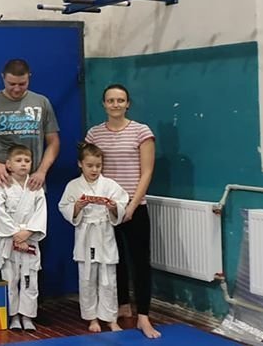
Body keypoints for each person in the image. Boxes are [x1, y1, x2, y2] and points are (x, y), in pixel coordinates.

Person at [0, 59, 59, 274]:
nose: (17, 89)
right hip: (0, 180)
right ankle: (2, 290)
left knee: (33, 240)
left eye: (22, 84)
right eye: (12, 84)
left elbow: (54, 142)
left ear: (29, 78)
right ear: (3, 78)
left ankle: (32, 292)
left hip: (32, 182)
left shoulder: (41, 102)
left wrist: (42, 171)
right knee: (1, 243)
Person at [85, 84, 160, 338]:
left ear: (127, 104)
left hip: (134, 207)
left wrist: (131, 205)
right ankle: (122, 305)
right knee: (113, 261)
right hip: (106, 209)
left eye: (120, 100)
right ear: (104, 104)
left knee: (140, 262)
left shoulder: (141, 131)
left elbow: (146, 171)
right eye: (110, 100)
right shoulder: (94, 134)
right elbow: (90, 169)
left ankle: (143, 316)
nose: (115, 104)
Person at [58, 142, 128, 333]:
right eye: (90, 165)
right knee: (87, 279)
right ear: (80, 164)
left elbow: (122, 203)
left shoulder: (110, 185)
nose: (94, 170)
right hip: (86, 235)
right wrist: (77, 207)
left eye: (98, 165)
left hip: (104, 233)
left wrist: (114, 207)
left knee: (109, 279)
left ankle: (110, 318)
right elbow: (64, 207)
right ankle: (92, 318)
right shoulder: (73, 186)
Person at [0, 145, 47, 331]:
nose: (23, 164)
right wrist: (15, 234)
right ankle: (13, 316)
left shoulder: (36, 188)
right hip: (9, 239)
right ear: (8, 164)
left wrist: (27, 233)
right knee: (10, 279)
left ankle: (27, 316)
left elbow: (40, 214)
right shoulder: (1, 187)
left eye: (27, 161)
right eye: (19, 160)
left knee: (30, 279)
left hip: (29, 239)